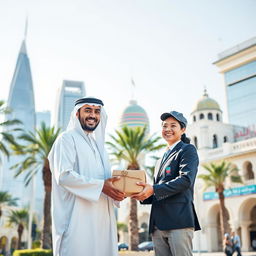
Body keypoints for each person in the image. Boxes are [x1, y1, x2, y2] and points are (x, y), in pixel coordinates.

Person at [48, 97, 125, 256]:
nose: (93, 115)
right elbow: (64, 176)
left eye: (97, 111)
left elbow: (107, 182)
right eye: (88, 110)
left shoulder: (101, 149)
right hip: (77, 222)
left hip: (102, 222)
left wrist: (120, 191)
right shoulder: (66, 139)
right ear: (77, 114)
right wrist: (102, 186)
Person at [132, 110, 200, 256]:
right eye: (164, 126)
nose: (167, 129)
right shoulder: (160, 159)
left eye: (173, 125)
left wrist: (153, 189)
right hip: (158, 224)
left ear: (183, 129)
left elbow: (186, 180)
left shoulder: (188, 150)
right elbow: (158, 189)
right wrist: (143, 195)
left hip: (178, 222)